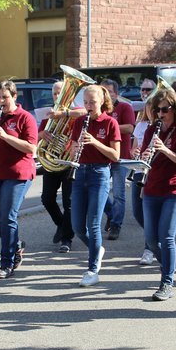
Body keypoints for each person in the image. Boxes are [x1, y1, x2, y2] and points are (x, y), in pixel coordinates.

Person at [0, 80, 39, 279]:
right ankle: (16, 245)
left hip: (17, 173)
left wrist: (5, 136)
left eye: (5, 97)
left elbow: (31, 148)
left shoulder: (25, 117)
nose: (1, 101)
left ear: (14, 97)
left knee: (7, 217)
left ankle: (7, 263)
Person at [140, 88, 176, 301]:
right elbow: (146, 160)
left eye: (164, 109)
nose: (159, 113)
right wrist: (142, 156)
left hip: (175, 189)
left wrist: (164, 149)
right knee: (151, 240)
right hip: (152, 187)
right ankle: (168, 265)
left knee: (167, 236)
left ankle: (167, 282)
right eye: (156, 109)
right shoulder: (150, 130)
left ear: (174, 108)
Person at [69, 85, 121, 287]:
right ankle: (97, 249)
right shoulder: (80, 121)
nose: (88, 106)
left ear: (101, 101)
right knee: (77, 227)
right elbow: (73, 151)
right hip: (80, 171)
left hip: (100, 172)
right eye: (86, 102)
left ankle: (92, 270)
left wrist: (94, 142)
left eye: (92, 102)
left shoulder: (110, 122)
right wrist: (75, 148)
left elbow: (115, 155)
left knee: (93, 223)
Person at [38, 80, 82, 253]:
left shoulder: (75, 110)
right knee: (47, 199)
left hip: (69, 161)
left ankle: (67, 239)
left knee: (68, 202)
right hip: (52, 161)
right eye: (55, 93)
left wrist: (64, 115)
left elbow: (86, 113)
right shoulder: (49, 113)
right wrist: (40, 133)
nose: (57, 96)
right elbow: (38, 136)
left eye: (60, 92)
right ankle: (62, 224)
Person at [101, 79, 136, 241]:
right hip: (101, 157)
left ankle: (116, 225)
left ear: (116, 93)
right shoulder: (98, 108)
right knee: (98, 190)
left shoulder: (124, 107)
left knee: (119, 194)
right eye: (103, 92)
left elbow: (129, 127)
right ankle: (110, 213)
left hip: (121, 157)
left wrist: (107, 126)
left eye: (109, 92)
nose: (106, 95)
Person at [131, 102, 158, 265]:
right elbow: (133, 148)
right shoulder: (140, 125)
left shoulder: (161, 126)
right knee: (137, 212)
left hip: (154, 171)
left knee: (149, 211)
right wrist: (134, 152)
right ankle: (155, 236)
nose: (150, 111)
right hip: (139, 170)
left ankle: (149, 248)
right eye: (149, 108)